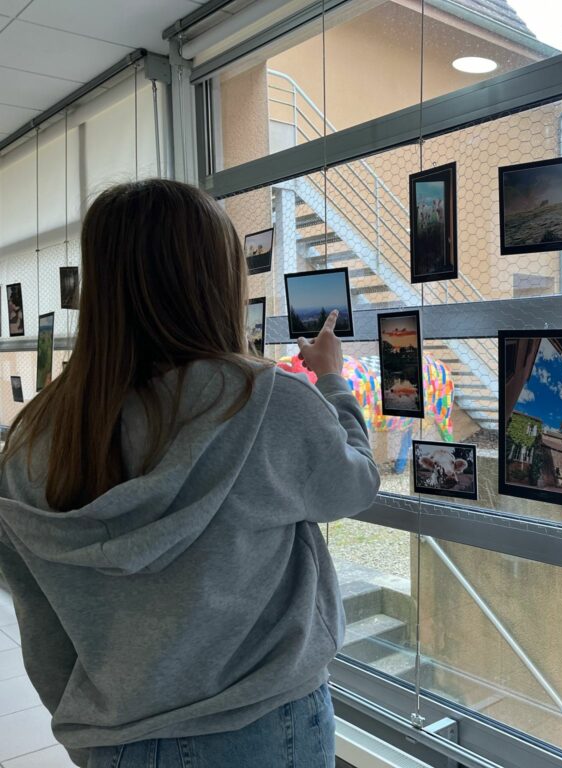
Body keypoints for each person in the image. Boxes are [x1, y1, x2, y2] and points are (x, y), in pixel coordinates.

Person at [0, 180, 380, 767]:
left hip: (116, 739)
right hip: (265, 728)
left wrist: (93, 722)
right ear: (218, 280)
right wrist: (331, 381)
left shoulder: (38, 433)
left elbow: (33, 602)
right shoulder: (265, 403)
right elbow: (354, 483)